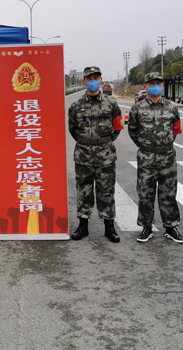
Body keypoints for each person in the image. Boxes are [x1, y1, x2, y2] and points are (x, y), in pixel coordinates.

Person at [68, 66, 123, 243]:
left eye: (96, 78)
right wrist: (87, 142)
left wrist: (103, 142)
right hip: (83, 156)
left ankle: (109, 227)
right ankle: (83, 226)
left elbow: (117, 127)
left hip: (105, 156)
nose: (93, 81)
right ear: (84, 81)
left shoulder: (111, 103)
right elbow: (72, 128)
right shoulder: (76, 105)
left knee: (106, 191)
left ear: (100, 79)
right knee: (83, 191)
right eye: (89, 78)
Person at [128, 72, 183, 244]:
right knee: (145, 193)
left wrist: (164, 145)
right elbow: (133, 131)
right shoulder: (137, 108)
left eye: (158, 83)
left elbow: (176, 129)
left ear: (163, 86)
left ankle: (171, 227)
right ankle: (146, 227)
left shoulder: (172, 107)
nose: (155, 86)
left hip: (167, 156)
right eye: (151, 83)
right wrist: (147, 147)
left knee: (169, 192)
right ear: (145, 86)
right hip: (146, 157)